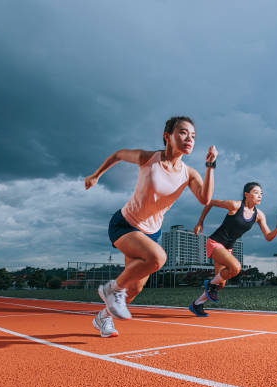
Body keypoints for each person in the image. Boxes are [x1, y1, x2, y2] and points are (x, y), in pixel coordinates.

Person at [85, 116, 217, 337]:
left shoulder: (188, 174)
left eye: (193, 136)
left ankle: (103, 318)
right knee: (157, 258)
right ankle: (111, 289)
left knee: (135, 289)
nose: (189, 139)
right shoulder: (149, 158)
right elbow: (118, 154)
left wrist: (210, 166)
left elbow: (205, 199)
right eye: (183, 133)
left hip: (150, 234)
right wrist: (96, 175)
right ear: (168, 136)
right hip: (125, 225)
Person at [188, 182, 277, 317]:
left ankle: (197, 304)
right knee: (236, 267)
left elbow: (268, 237)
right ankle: (210, 284)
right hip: (215, 242)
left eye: (261, 194)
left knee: (220, 284)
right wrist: (200, 222)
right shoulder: (234, 205)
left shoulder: (259, 215)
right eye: (256, 192)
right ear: (246, 194)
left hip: (227, 249)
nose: (260, 196)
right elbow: (210, 202)